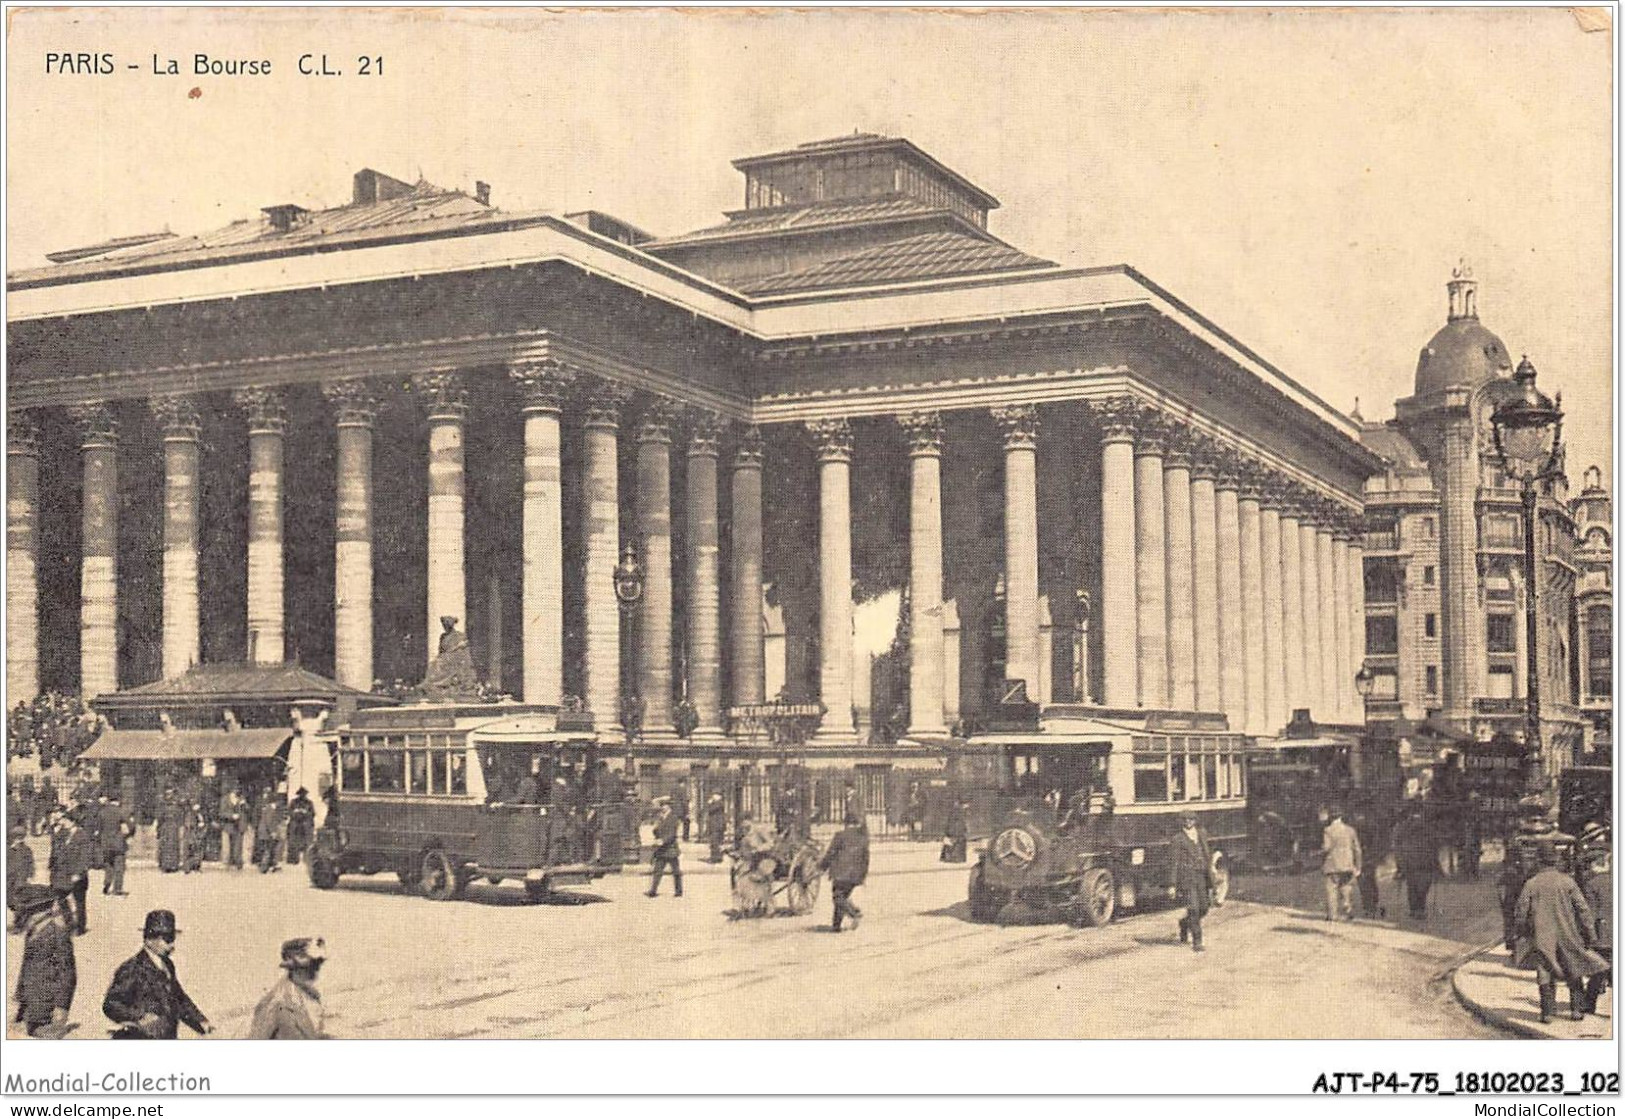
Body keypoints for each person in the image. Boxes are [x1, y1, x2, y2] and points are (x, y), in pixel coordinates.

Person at [1513, 843, 1610, 1023]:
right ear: (1556, 860)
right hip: (1568, 933)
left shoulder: (1531, 884)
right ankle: (1576, 1010)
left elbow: (1520, 912)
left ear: (1539, 860)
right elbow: (1583, 910)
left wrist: (1521, 932)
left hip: (1543, 936)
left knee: (1545, 972)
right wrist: (1590, 935)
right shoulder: (1567, 882)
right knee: (1574, 968)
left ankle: (1548, 1013)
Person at [103, 910, 213, 1039]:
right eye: (167, 939)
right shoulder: (132, 968)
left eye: (173, 939)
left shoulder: (168, 965)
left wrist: (200, 1021)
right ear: (149, 939)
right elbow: (111, 1004)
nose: (172, 945)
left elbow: (178, 998)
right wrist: (139, 1016)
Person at [11, 886, 76, 1038]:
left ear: (41, 912)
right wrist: (20, 996)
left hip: (47, 1007)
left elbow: (68, 975)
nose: (26, 918)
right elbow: (26, 968)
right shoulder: (32, 933)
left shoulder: (58, 935)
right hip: (30, 1005)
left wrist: (62, 1007)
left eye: (28, 913)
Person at [248, 937, 330, 1039]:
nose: (316, 971)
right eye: (312, 966)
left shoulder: (311, 997)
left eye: (318, 964)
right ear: (293, 968)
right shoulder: (276, 1002)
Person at [1170, 811, 1215, 952]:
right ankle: (1197, 941)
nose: (1188, 822)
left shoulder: (1202, 834)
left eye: (1191, 819)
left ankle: (1184, 923)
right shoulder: (1177, 839)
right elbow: (1174, 862)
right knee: (1194, 909)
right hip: (1187, 878)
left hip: (1202, 876)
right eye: (1185, 820)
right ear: (1181, 821)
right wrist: (1172, 884)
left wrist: (1211, 872)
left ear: (1195, 821)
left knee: (1204, 907)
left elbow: (1207, 854)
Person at [819, 813, 871, 932]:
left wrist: (822, 866)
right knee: (842, 896)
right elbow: (866, 859)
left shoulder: (840, 836)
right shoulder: (863, 838)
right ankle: (836, 926)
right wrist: (863, 876)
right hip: (856, 875)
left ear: (846, 824)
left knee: (838, 897)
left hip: (841, 873)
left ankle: (854, 913)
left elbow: (831, 853)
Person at [1579, 844, 1612, 1015]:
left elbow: (1589, 914)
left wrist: (1587, 937)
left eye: (1590, 864)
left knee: (1598, 970)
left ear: (1596, 864)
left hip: (1603, 935)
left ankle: (1588, 1005)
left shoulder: (1592, 884)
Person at [48, 811, 92, 936]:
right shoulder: (62, 833)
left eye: (64, 820)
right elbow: (56, 848)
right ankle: (69, 923)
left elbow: (85, 857)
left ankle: (80, 927)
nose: (62, 822)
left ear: (72, 821)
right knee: (60, 898)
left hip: (78, 874)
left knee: (79, 902)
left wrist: (78, 873)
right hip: (63, 873)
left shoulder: (82, 835)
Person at [1394, 807, 1440, 921]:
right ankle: (1419, 908)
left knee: (1412, 885)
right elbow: (1435, 845)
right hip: (1425, 861)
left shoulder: (1404, 826)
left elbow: (1398, 844)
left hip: (1411, 861)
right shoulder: (1428, 827)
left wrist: (1400, 865)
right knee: (1422, 886)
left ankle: (1415, 909)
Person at [1320, 806, 1362, 921]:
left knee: (1332, 888)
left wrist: (1321, 852)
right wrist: (1358, 866)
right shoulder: (1350, 830)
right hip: (1348, 864)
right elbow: (1357, 849)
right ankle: (1347, 907)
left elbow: (1327, 848)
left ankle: (1332, 915)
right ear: (1341, 816)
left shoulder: (1328, 830)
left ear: (1330, 816)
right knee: (1346, 887)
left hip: (1333, 864)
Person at [647, 797, 682, 898]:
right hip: (662, 849)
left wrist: (663, 841)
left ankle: (678, 890)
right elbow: (656, 832)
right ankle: (653, 890)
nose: (662, 808)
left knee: (676, 871)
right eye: (661, 806)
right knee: (657, 870)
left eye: (664, 806)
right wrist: (656, 828)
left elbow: (672, 834)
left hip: (670, 848)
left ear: (669, 806)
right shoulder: (660, 817)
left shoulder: (673, 818)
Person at [1351, 810, 1384, 919]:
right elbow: (1378, 843)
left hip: (1363, 858)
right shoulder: (1373, 825)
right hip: (1370, 858)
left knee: (1364, 884)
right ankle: (1373, 904)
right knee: (1370, 881)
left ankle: (1368, 907)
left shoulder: (1357, 828)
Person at [100, 798, 131, 897]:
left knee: (108, 865)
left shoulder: (102, 812)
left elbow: (97, 827)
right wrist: (126, 836)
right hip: (118, 843)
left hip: (105, 843)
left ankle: (107, 883)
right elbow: (131, 825)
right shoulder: (120, 811)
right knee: (119, 867)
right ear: (118, 801)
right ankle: (117, 888)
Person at [8, 824, 36, 922]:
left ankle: (19, 922)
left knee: (19, 900)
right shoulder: (8, 850)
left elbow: (31, 863)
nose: (18, 840)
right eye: (16, 837)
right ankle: (21, 917)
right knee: (10, 900)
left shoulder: (27, 850)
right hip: (9, 879)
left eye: (21, 838)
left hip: (21, 879)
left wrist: (30, 875)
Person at [286, 788, 316, 865]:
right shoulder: (293, 802)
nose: (302, 796)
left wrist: (305, 813)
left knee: (306, 841)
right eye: (300, 794)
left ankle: (306, 859)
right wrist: (296, 813)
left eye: (303, 794)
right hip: (295, 823)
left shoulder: (309, 803)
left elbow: (312, 813)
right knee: (293, 841)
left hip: (305, 824)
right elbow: (289, 812)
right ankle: (293, 859)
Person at [256, 794, 285, 873]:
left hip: (265, 832)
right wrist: (273, 832)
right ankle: (264, 868)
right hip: (266, 833)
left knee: (268, 849)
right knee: (268, 850)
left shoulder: (269, 808)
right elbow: (269, 822)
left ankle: (268, 866)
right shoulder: (270, 809)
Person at [156, 791, 184, 873]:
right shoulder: (165, 806)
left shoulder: (166, 806)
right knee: (167, 846)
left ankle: (170, 865)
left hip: (170, 827)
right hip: (168, 827)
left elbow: (160, 817)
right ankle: (169, 865)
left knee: (170, 846)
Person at [219, 789, 247, 870]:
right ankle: (226, 862)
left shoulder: (241, 799)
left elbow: (247, 810)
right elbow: (221, 813)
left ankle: (238, 863)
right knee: (226, 846)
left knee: (238, 845)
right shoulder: (225, 799)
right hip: (228, 826)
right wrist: (231, 816)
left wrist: (243, 804)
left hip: (239, 826)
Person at [703, 793, 728, 864]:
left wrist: (709, 804)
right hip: (716, 825)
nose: (713, 796)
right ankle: (717, 857)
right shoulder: (718, 803)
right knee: (715, 842)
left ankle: (715, 858)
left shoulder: (718, 803)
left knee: (715, 842)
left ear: (718, 796)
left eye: (714, 795)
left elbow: (710, 810)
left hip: (717, 825)